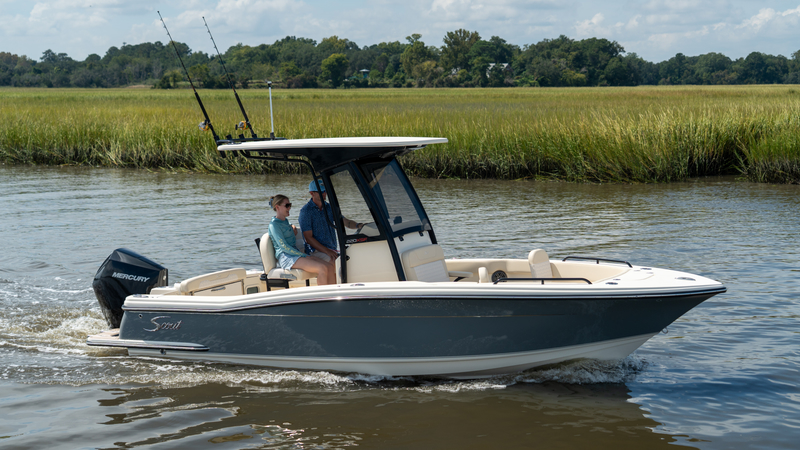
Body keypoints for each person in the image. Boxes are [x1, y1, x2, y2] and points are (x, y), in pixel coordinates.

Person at [268, 194, 336, 285]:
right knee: (322, 268)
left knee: (330, 266)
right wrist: (303, 255)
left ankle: (333, 292)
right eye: (287, 205)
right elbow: (284, 246)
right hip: (286, 257)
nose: (289, 208)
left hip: (295, 255)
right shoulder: (274, 225)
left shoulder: (285, 221)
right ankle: (323, 293)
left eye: (290, 205)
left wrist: (292, 226)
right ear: (277, 207)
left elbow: (286, 227)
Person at [298, 180, 363, 262]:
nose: (324, 194)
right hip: (315, 251)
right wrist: (327, 251)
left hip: (332, 249)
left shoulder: (329, 208)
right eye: (321, 192)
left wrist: (359, 226)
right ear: (312, 193)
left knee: (355, 259)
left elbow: (344, 221)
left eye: (325, 191)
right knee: (337, 262)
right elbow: (308, 238)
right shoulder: (306, 211)